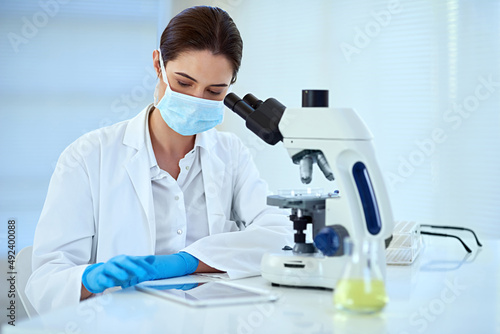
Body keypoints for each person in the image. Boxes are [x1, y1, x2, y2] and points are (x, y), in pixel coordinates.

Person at [26, 6, 292, 314]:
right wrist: (88, 279)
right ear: (158, 65)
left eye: (214, 91)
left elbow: (279, 233)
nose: (196, 101)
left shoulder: (230, 153)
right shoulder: (87, 156)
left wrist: (187, 261)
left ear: (230, 88)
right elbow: (44, 281)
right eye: (183, 83)